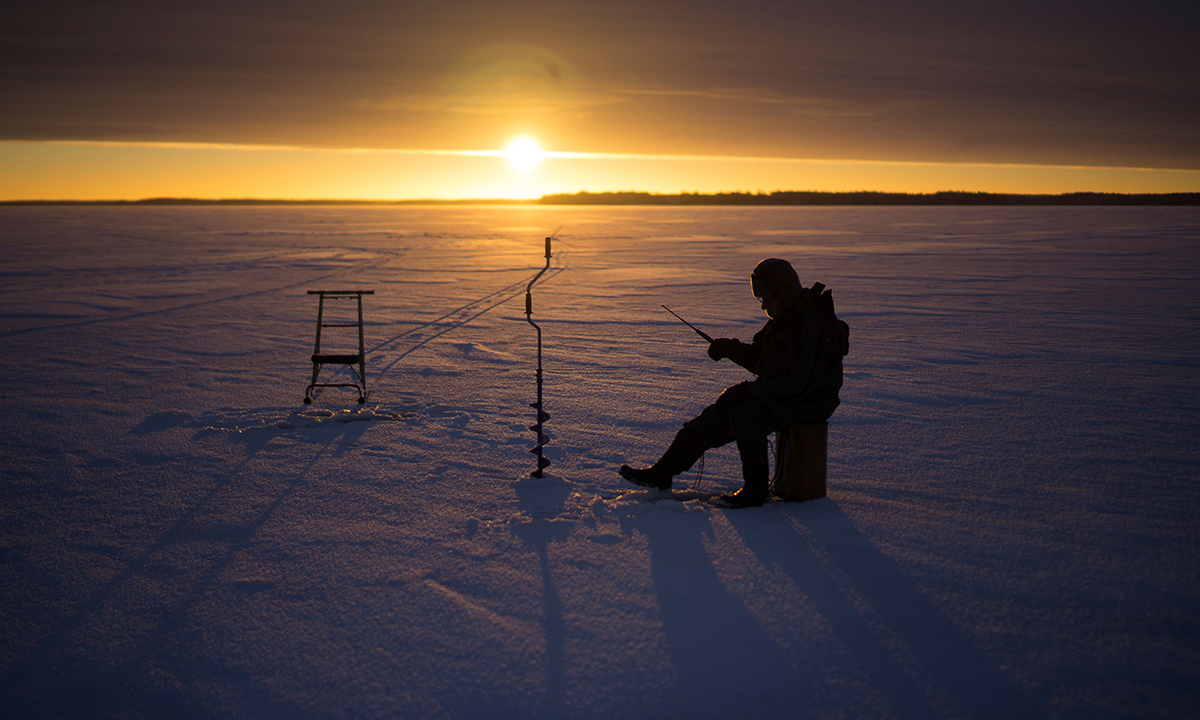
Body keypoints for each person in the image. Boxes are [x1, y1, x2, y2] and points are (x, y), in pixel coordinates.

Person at [620, 258, 843, 507]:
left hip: (812, 401)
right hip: (790, 393)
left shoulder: (807, 324)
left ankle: (755, 491)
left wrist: (746, 390)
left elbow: (797, 385)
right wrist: (731, 349)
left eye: (766, 299)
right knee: (719, 412)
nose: (763, 307)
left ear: (783, 292)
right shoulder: (788, 318)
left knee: (747, 414)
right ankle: (662, 474)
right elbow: (766, 362)